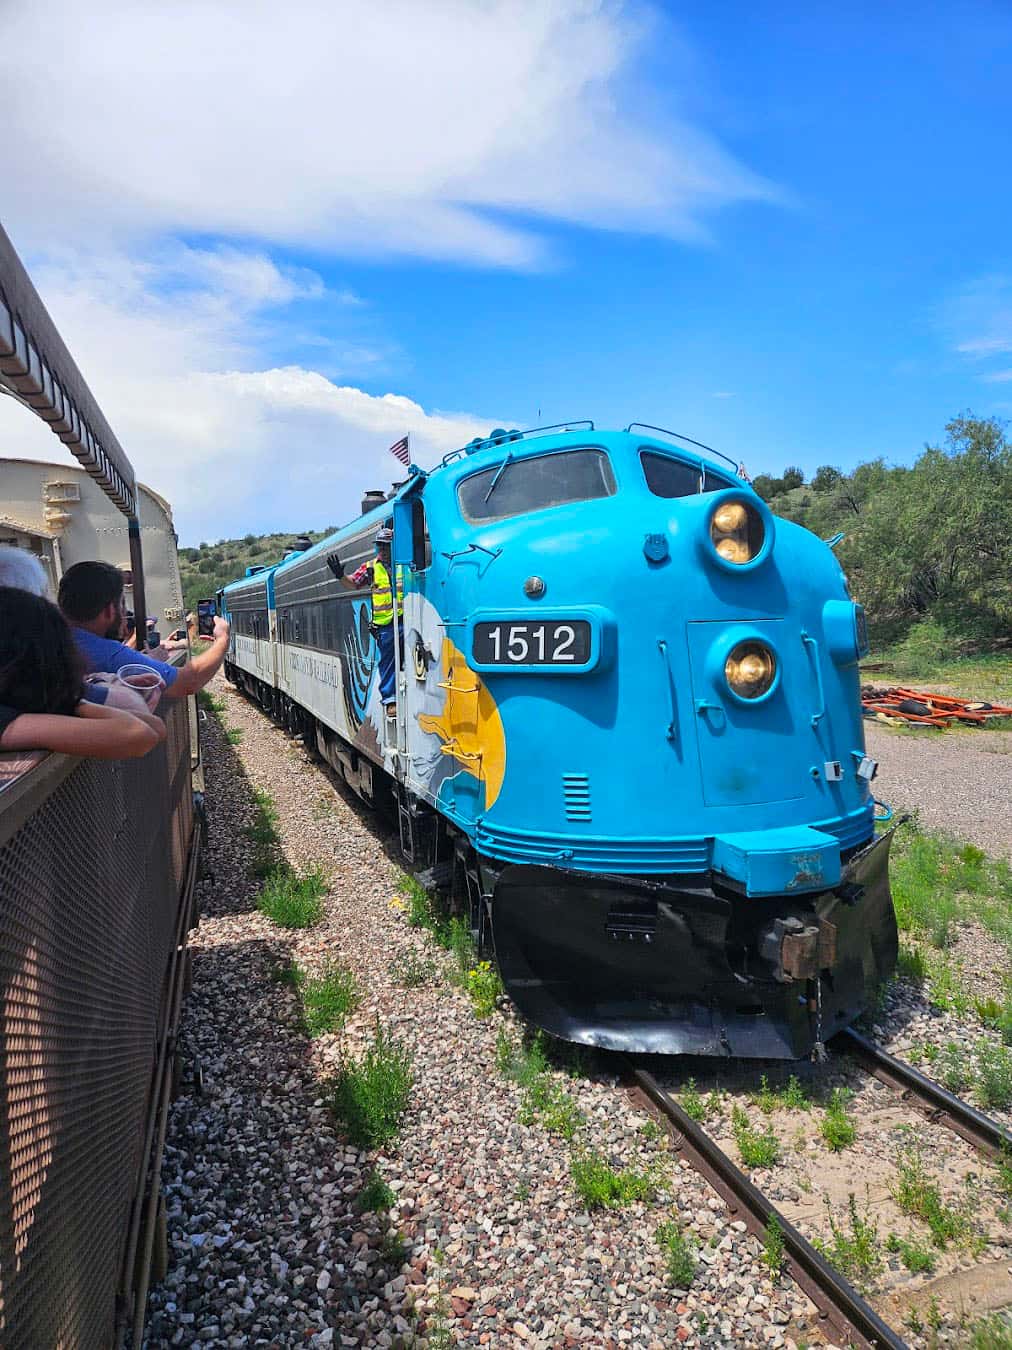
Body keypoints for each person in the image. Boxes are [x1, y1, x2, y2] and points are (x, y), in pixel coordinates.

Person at [0, 587, 164, 759]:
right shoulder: (9, 718)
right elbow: (139, 735)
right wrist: (70, 699)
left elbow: (156, 727)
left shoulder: (16, 710)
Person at [58, 561, 231, 700]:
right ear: (110, 610)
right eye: (122, 604)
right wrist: (222, 640)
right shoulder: (106, 652)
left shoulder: (56, 638)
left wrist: (146, 660)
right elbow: (188, 681)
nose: (126, 613)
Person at [327, 527, 402, 714]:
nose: (383, 550)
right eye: (380, 547)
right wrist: (340, 576)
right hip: (385, 625)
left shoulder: (404, 564)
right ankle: (390, 699)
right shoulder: (370, 568)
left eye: (386, 546)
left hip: (407, 620)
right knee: (387, 662)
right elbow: (352, 583)